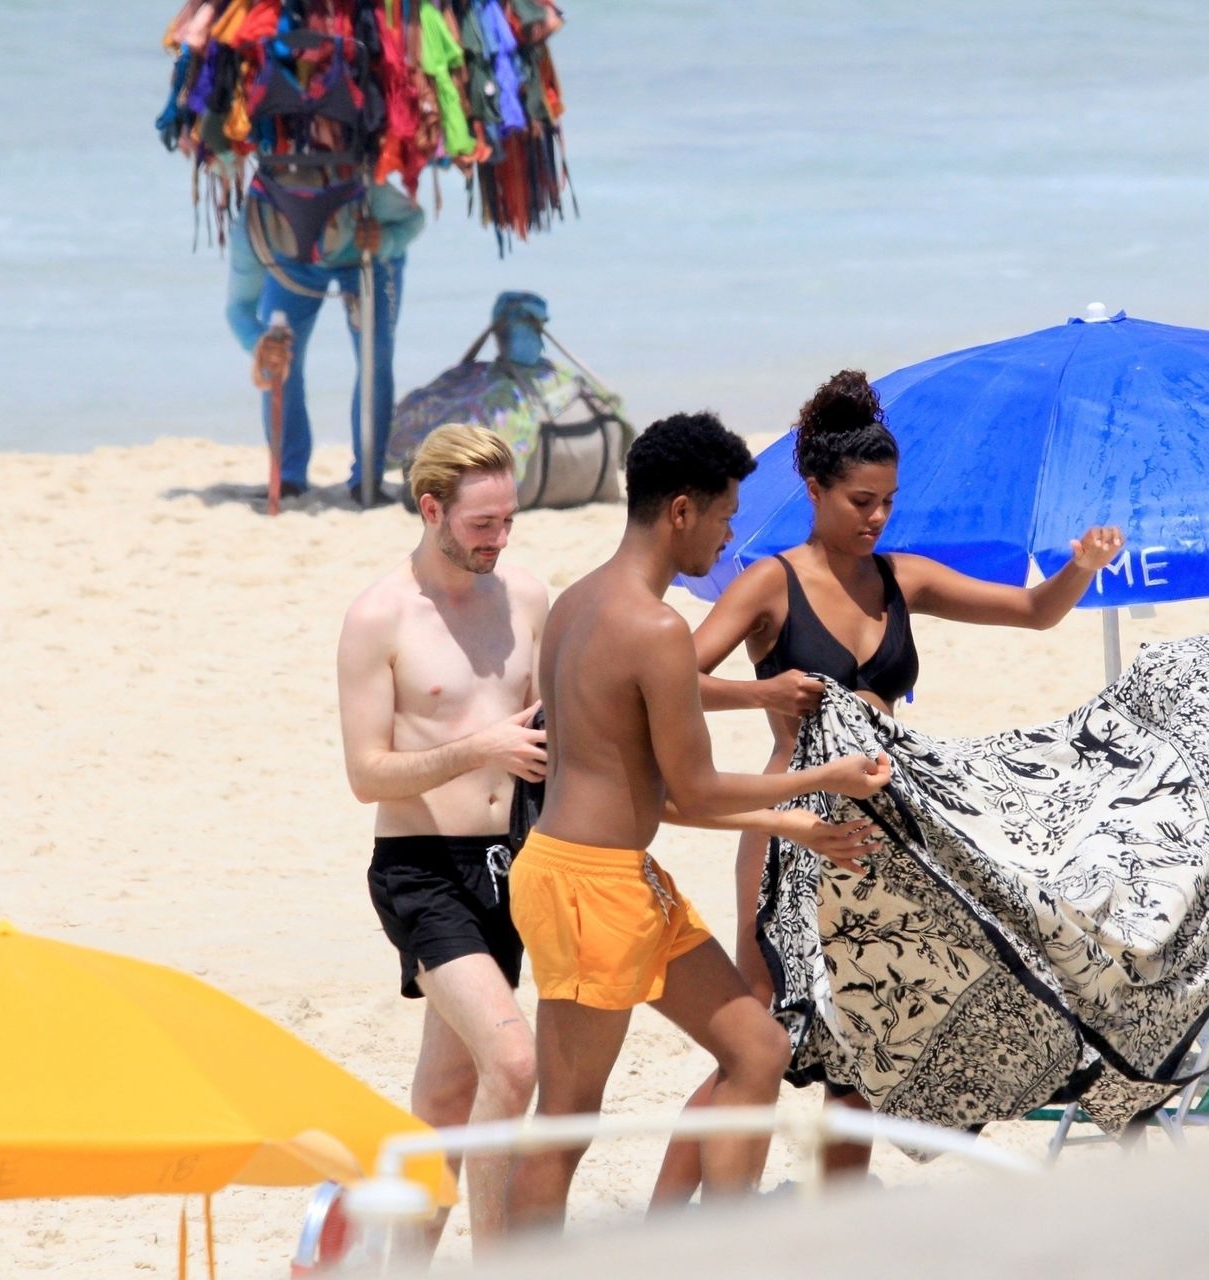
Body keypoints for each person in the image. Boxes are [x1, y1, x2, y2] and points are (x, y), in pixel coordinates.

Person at [652, 369, 1126, 1201]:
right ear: (814, 489)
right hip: (788, 818)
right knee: (758, 1027)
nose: (875, 518)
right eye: (860, 501)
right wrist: (762, 692)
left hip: (886, 825)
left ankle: (840, 1225)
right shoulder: (772, 581)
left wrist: (1079, 567)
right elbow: (672, 675)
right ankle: (667, 1222)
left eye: (887, 502)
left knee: (870, 1026)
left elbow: (1033, 612)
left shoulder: (902, 577)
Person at [502, 412, 894, 1232]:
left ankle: (722, 1248)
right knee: (567, 1119)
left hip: (620, 874)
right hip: (587, 885)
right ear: (681, 511)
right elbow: (699, 785)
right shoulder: (654, 629)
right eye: (723, 516)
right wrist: (822, 781)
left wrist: (796, 825)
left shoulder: (577, 604)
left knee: (757, 1049)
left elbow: (661, 799)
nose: (728, 536)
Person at [336, 424, 548, 1252]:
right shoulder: (379, 617)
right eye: (482, 525)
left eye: (508, 521)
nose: (498, 540)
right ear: (432, 510)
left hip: (511, 862)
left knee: (447, 1095)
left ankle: (403, 1264)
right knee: (514, 1064)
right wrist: (481, 748)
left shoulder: (526, 595)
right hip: (420, 869)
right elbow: (366, 775)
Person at [230, 177, 425, 505]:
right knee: (278, 360)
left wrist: (385, 240)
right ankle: (289, 475)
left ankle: (367, 478)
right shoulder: (257, 224)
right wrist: (259, 345)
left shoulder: (363, 190)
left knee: (375, 360)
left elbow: (414, 219)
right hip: (290, 266)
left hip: (369, 256)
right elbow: (238, 309)